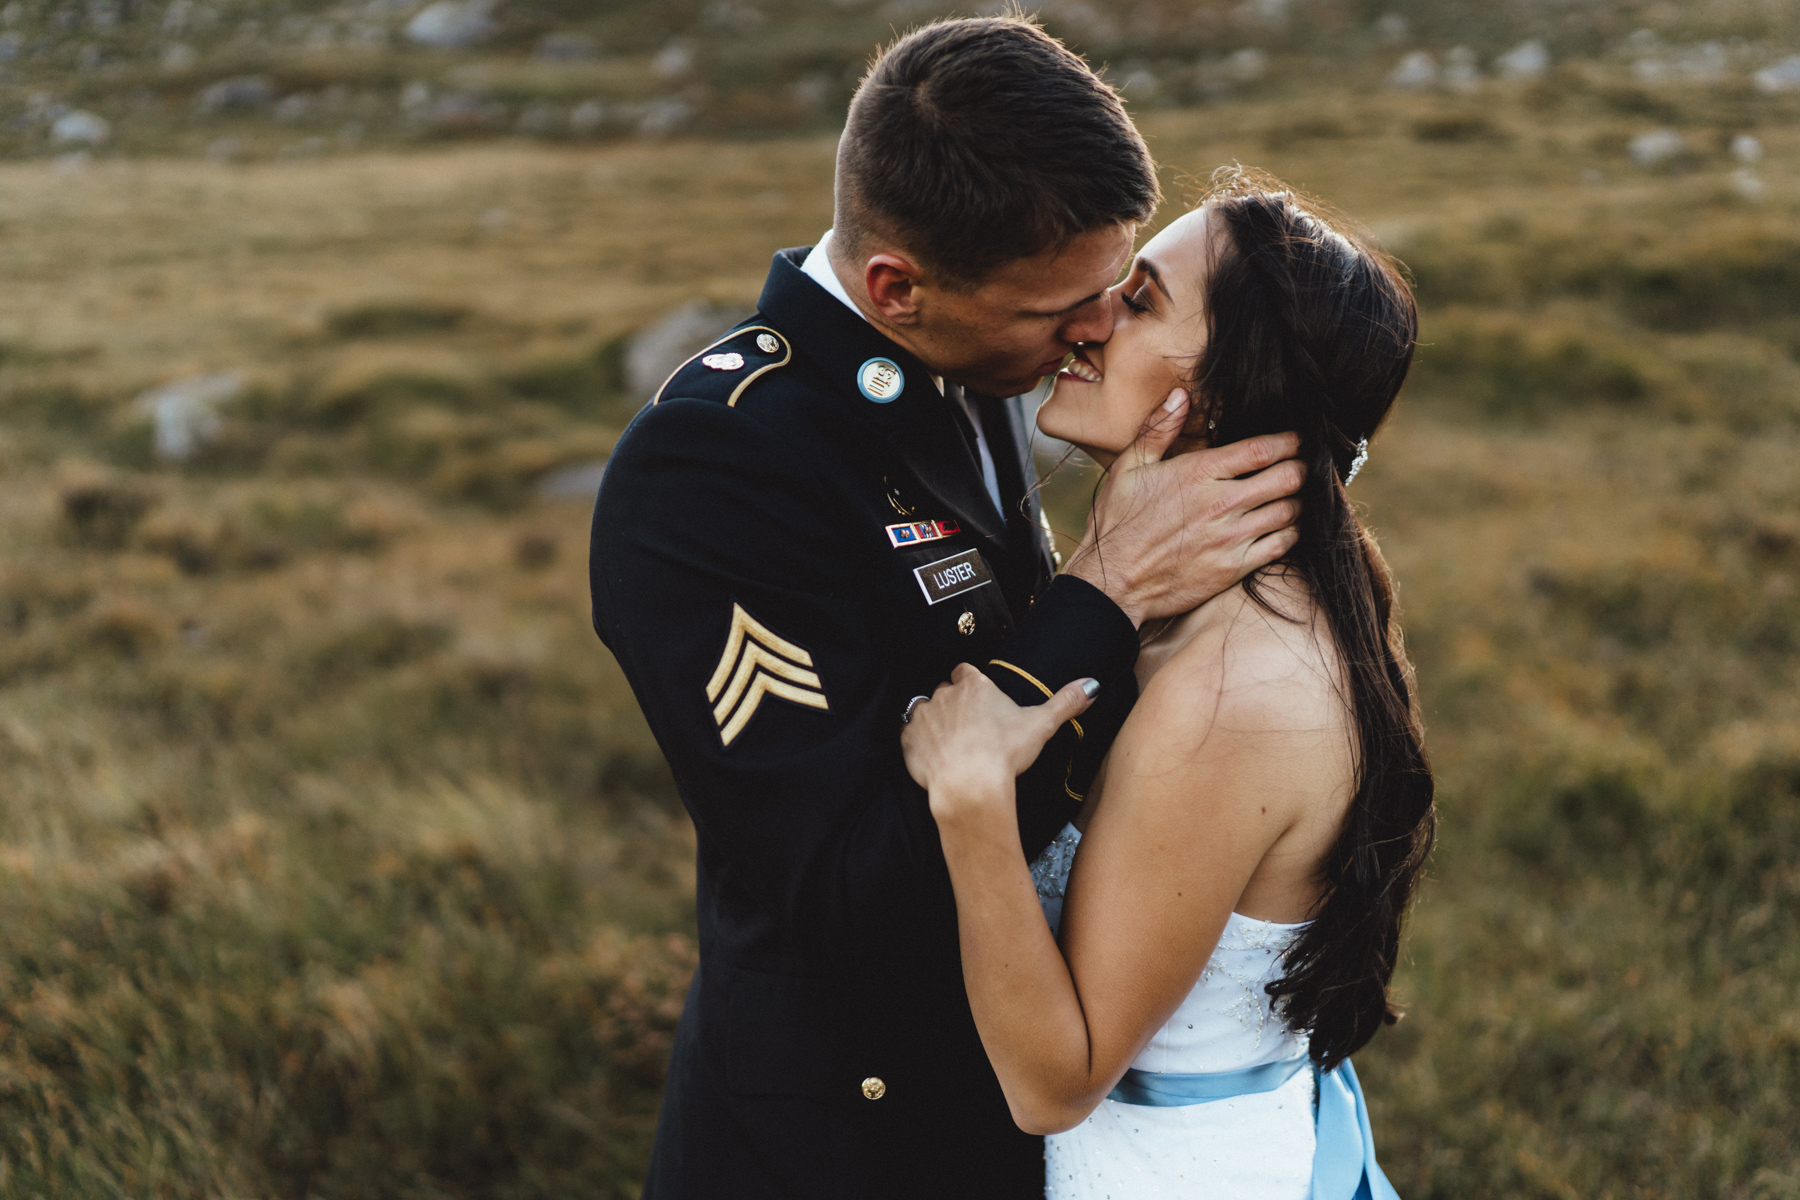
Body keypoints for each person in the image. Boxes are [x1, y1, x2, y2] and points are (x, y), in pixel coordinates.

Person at [588, 19, 1306, 1200]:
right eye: (1057, 310)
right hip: (846, 1142)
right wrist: (1106, 590)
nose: (1093, 333)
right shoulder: (714, 466)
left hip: (1020, 1093)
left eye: (1112, 292)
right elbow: (851, 894)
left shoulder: (967, 370)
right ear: (896, 288)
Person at [899, 170, 1437, 1200]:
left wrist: (969, 802)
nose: (1088, 322)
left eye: (1138, 300)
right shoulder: (1202, 612)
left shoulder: (1232, 692)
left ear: (1222, 396)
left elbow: (1054, 1085)